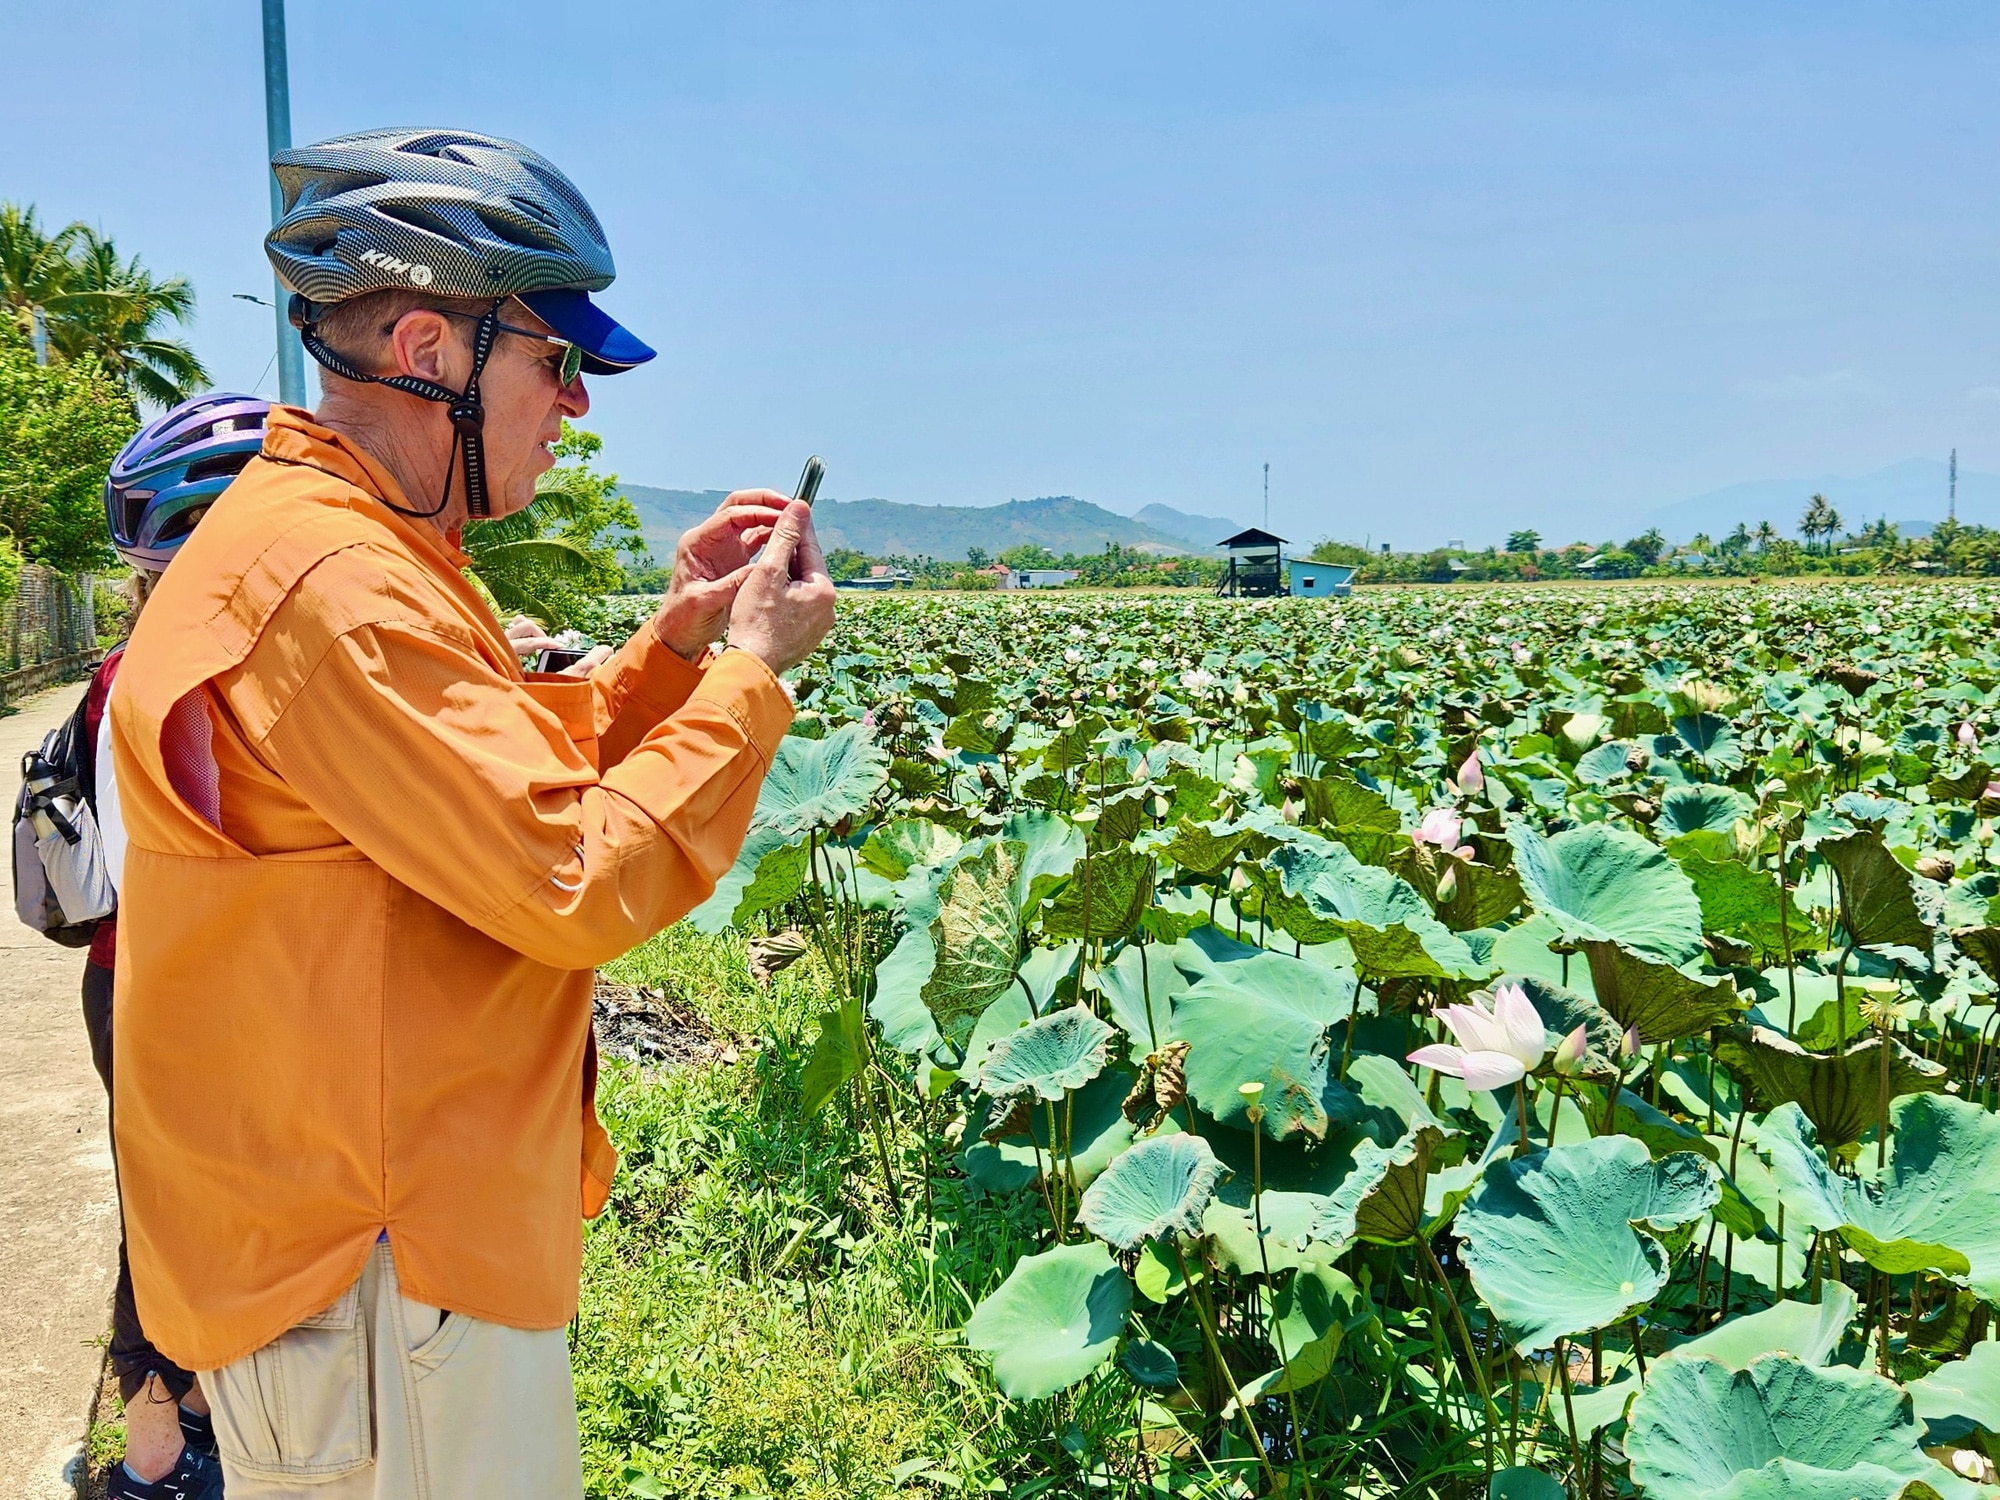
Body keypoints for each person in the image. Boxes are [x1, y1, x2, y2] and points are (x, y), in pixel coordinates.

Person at [107, 127, 836, 1498]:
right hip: (377, 1280)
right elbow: (570, 869)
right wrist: (750, 674)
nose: (575, 406)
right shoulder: (336, 585)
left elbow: (483, 793)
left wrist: (671, 648)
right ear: (433, 351)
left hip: (367, 1254)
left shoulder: (340, 546)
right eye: (554, 360)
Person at [85, 393, 275, 1499]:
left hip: (177, 984)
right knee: (162, 1220)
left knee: (207, 1212)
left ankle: (188, 1426)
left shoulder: (173, 662)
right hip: (158, 987)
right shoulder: (156, 680)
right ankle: (151, 1463)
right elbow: (148, 873)